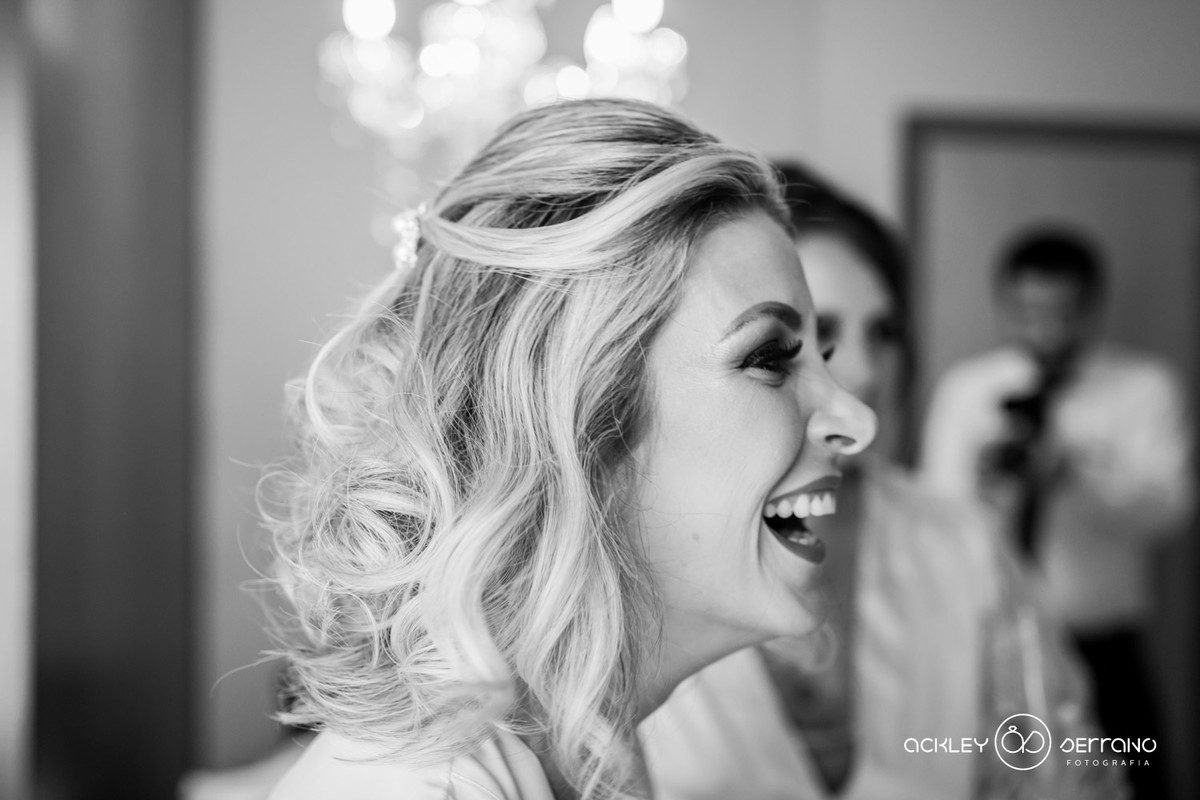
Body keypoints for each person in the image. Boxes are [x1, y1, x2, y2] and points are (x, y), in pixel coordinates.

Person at [261, 98, 877, 800]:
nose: (858, 419)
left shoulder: (589, 758)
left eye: (824, 359)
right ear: (579, 422)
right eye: (769, 358)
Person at [639, 165, 1123, 800]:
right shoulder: (631, 568)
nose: (865, 372)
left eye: (883, 333)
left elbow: (1059, 775)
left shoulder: (966, 546)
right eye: (802, 340)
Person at [921, 225, 1193, 799]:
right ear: (1004, 306)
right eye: (1027, 312)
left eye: (1064, 312)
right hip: (988, 642)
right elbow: (935, 518)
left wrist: (1078, 476)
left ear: (1093, 308)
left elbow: (1170, 511)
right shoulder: (967, 391)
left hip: (1103, 644)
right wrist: (985, 487)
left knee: (1130, 784)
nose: (1045, 330)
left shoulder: (1144, 388)